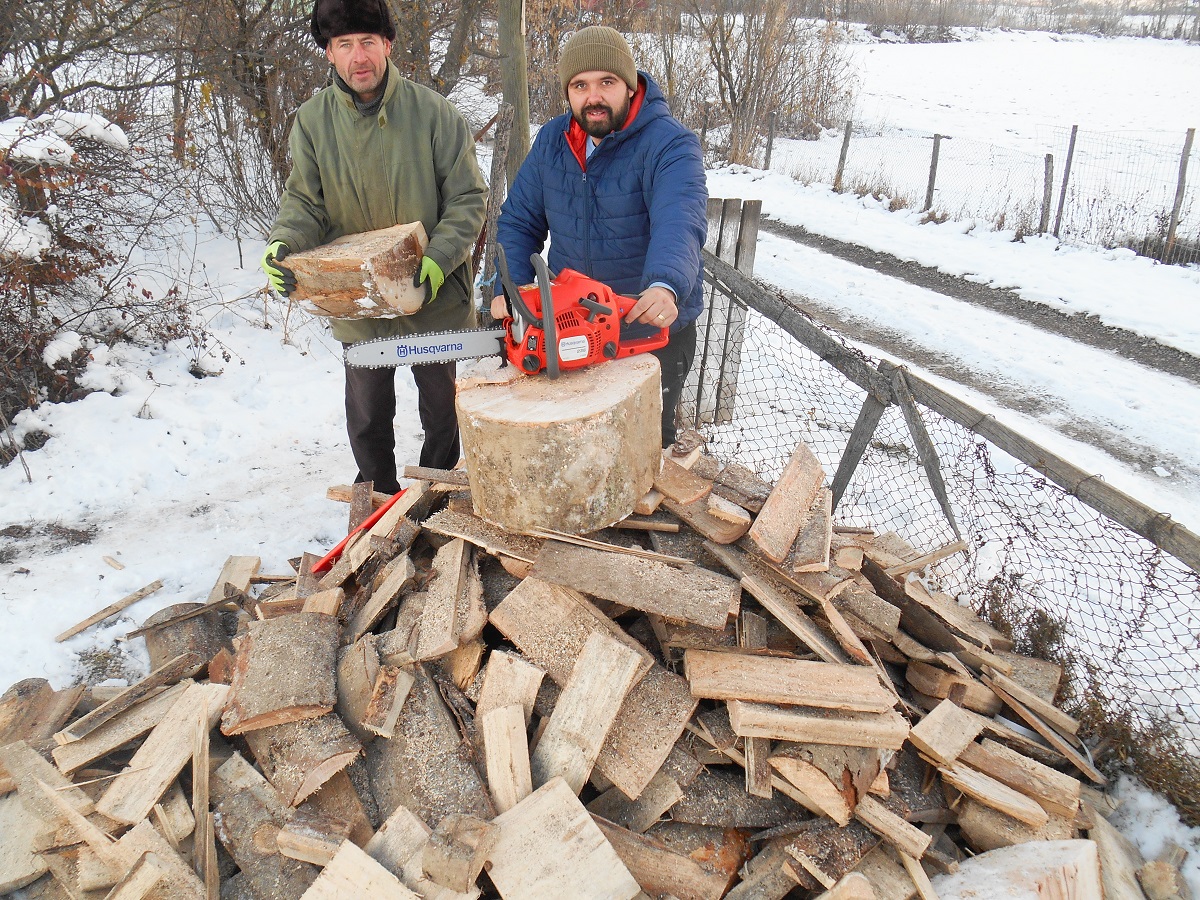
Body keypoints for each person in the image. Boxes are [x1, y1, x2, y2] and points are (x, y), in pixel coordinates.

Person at [261, 0, 487, 494]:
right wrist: (285, 243)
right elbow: (306, 201)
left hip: (430, 293)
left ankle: (436, 493)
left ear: (386, 45)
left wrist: (439, 258)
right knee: (366, 413)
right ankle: (379, 501)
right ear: (329, 54)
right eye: (344, 45)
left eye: (367, 42)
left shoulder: (433, 113)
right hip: (356, 297)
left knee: (442, 410)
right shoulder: (313, 122)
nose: (358, 56)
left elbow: (469, 198)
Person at [493, 25, 708, 448]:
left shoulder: (670, 145)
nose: (593, 97)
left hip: (646, 326)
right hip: (571, 323)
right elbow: (519, 221)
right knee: (568, 448)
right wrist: (515, 288)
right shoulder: (553, 141)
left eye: (606, 82)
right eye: (580, 85)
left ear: (629, 86)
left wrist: (665, 285)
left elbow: (680, 220)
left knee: (641, 451)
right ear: (567, 93)